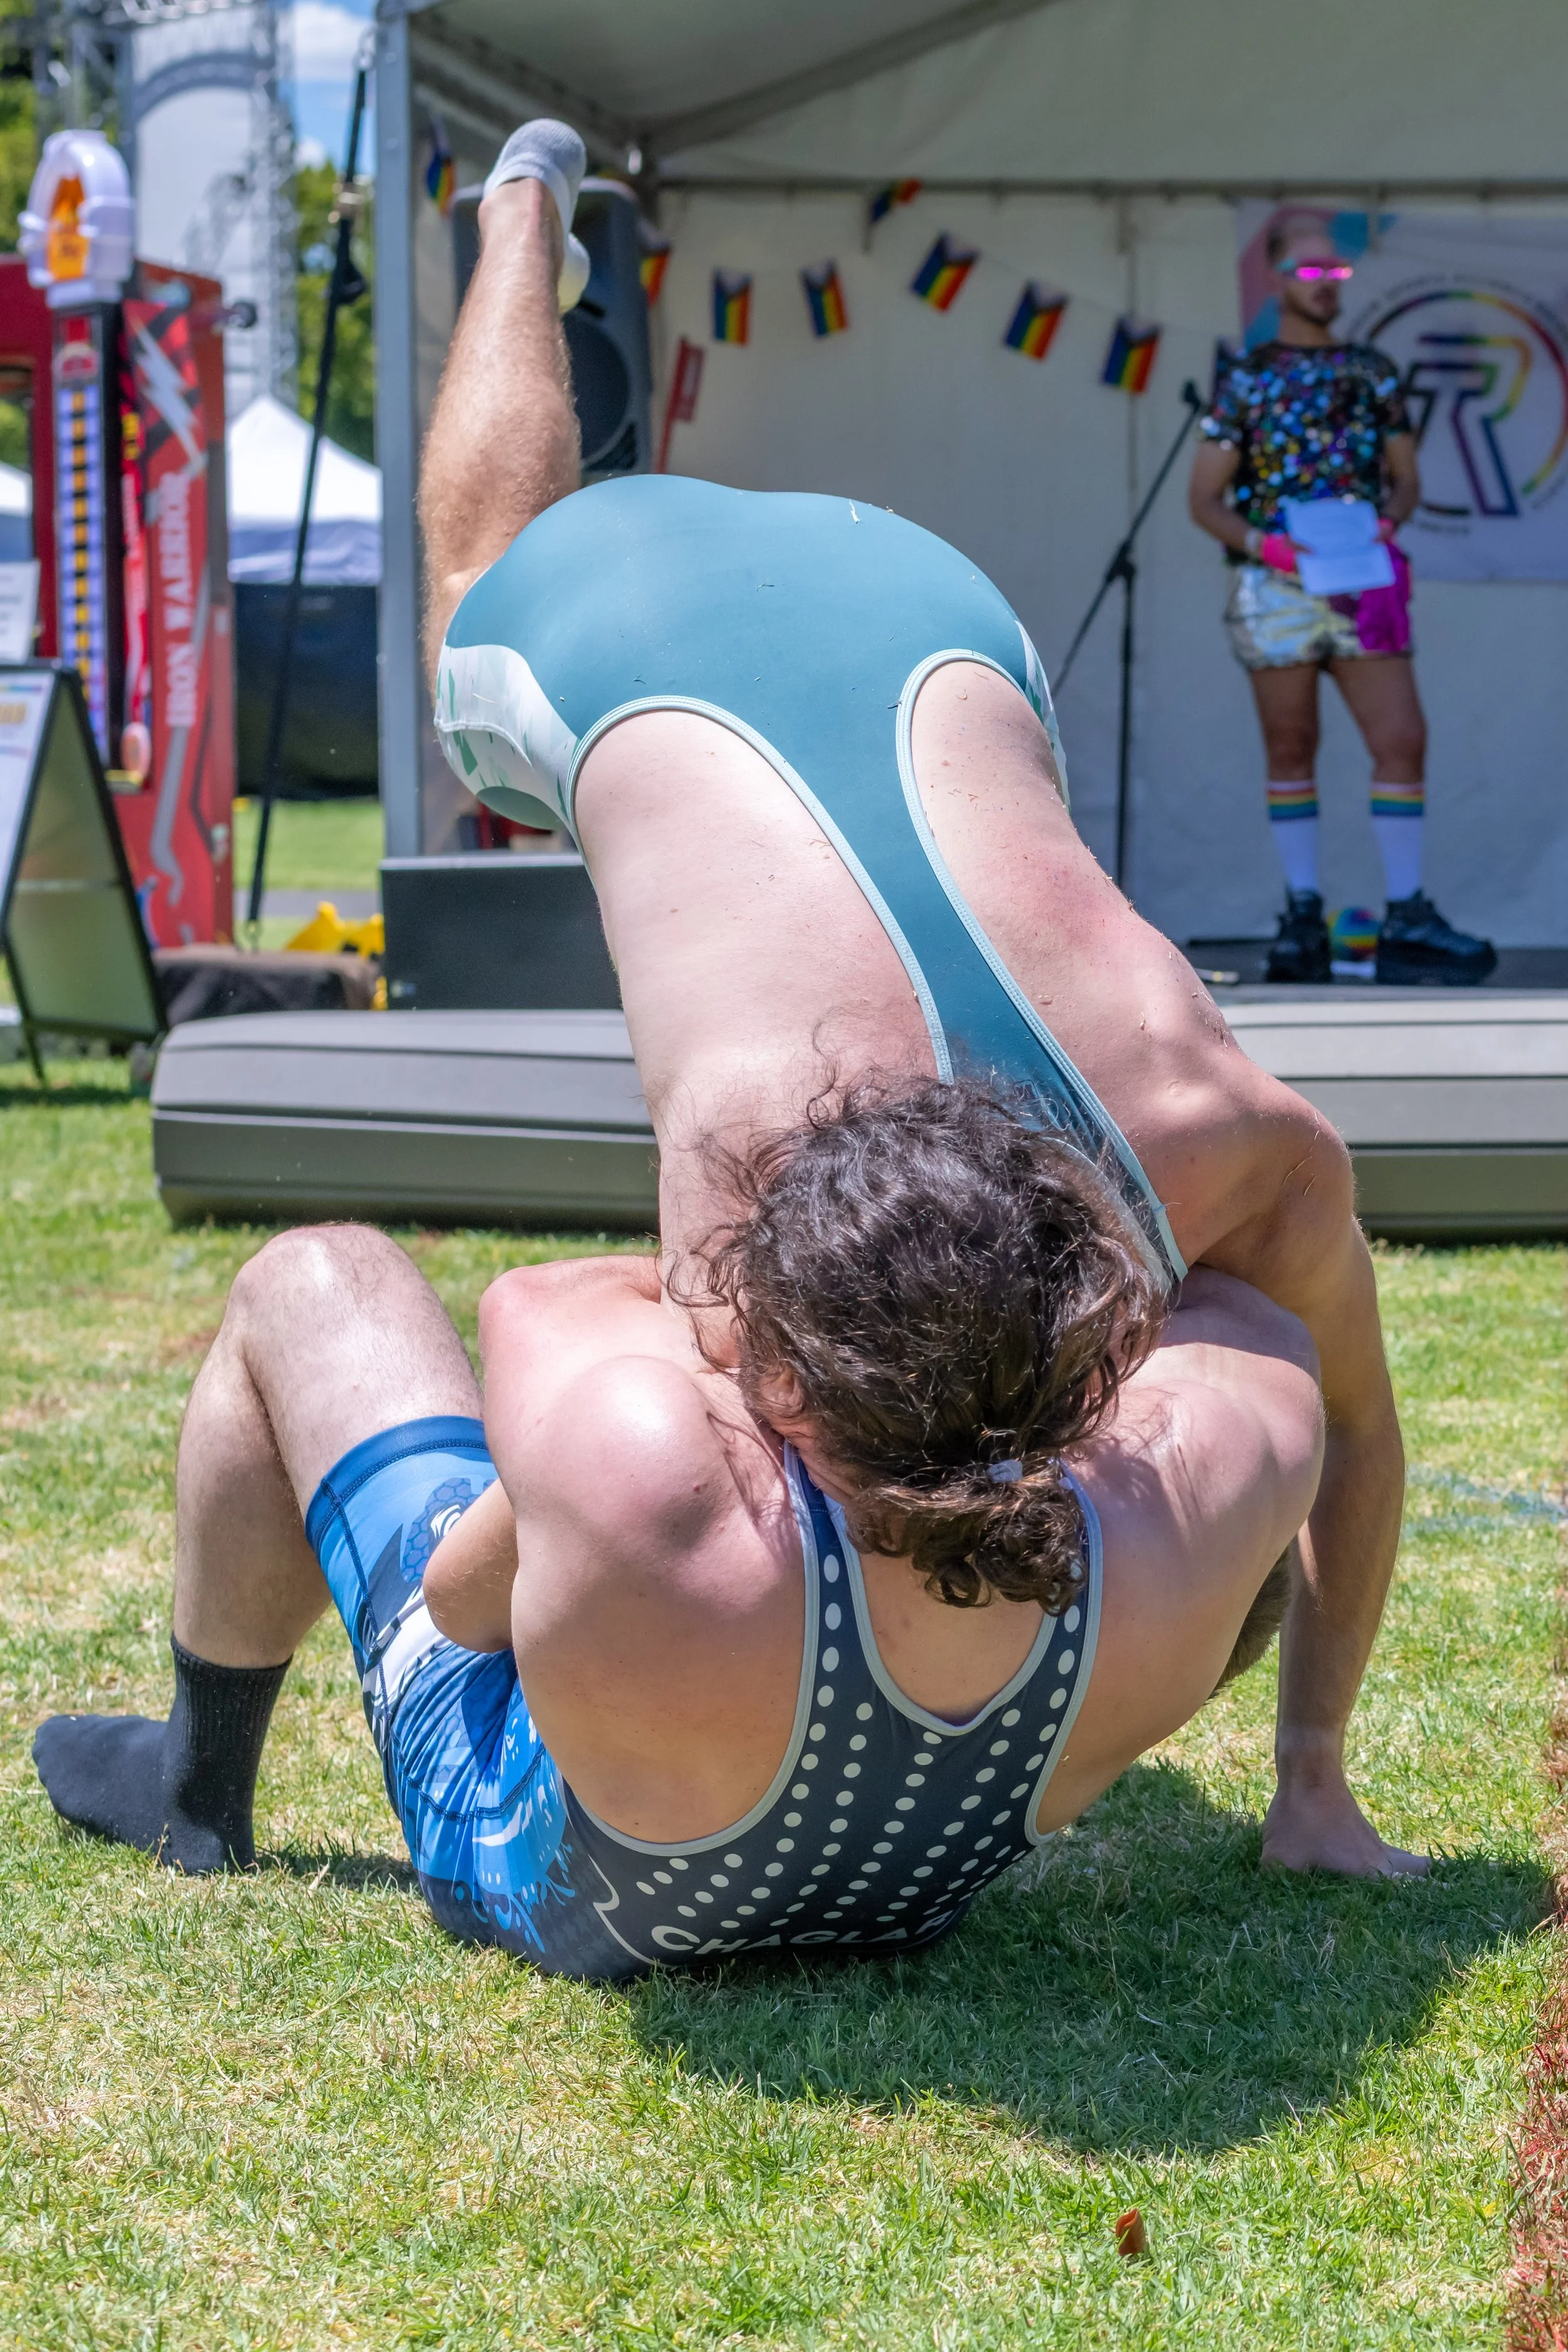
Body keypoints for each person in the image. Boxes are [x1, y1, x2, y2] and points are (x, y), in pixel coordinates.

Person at [34, 124, 1424, 1965]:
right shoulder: (1224, 1131)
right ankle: (531, 210)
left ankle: (513, 206)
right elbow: (1337, 1418)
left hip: (890, 633)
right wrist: (1305, 1773)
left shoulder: (749, 1156)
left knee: (477, 585)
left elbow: (506, 1563)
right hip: (914, 623)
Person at [1189, 213, 1495, 988]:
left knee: (1402, 737)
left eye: (1337, 273)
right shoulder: (1248, 376)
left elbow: (1407, 478)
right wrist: (1271, 547)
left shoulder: (1371, 371)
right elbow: (1205, 499)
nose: (1328, 287)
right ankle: (1302, 915)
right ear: (1279, 279)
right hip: (1278, 587)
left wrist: (1387, 529)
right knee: (1290, 748)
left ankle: (1405, 914)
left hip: (1362, 584)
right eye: (1312, 272)